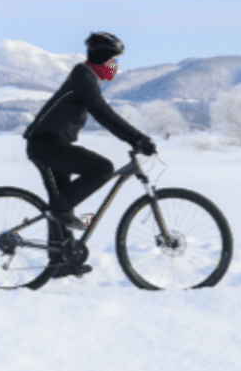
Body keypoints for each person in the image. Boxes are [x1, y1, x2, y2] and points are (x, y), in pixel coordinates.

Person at [23, 32, 156, 275]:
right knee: (102, 169)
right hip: (47, 145)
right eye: (114, 60)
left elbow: (102, 112)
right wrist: (137, 138)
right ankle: (60, 216)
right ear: (103, 59)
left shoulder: (86, 77)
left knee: (62, 202)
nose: (116, 67)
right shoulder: (84, 76)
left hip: (48, 143)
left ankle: (59, 263)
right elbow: (103, 113)